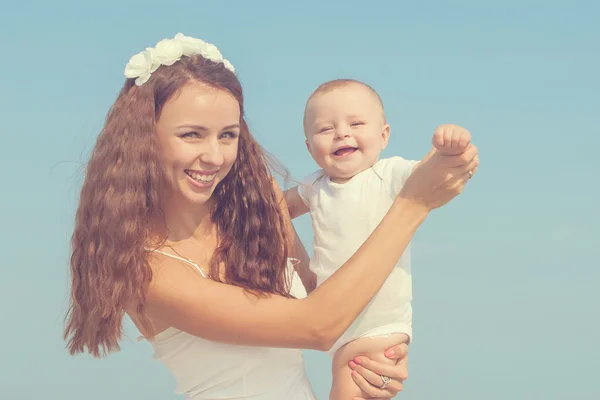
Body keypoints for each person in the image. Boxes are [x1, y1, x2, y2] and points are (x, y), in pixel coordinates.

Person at [63, 34, 479, 400]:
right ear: (142, 138)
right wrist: (413, 205)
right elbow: (318, 325)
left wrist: (373, 356)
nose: (214, 155)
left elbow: (336, 296)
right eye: (191, 134)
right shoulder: (149, 270)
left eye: (228, 135)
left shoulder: (257, 219)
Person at [284, 79, 476, 399]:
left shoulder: (388, 175)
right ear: (308, 147)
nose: (342, 133)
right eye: (325, 129)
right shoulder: (314, 186)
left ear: (384, 135)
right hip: (337, 319)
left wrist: (449, 149)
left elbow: (430, 175)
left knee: (347, 390)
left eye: (356, 123)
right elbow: (274, 209)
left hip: (376, 325)